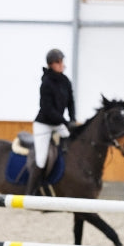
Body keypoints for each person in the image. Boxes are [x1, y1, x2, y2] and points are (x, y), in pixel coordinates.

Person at [26, 48, 76, 195]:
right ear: (51, 64)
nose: (63, 65)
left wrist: (72, 119)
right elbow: (48, 109)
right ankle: (31, 192)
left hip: (59, 123)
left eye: (62, 62)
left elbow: (71, 102)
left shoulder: (65, 80)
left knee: (73, 144)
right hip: (43, 125)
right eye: (59, 62)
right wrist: (65, 122)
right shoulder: (46, 83)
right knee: (41, 159)